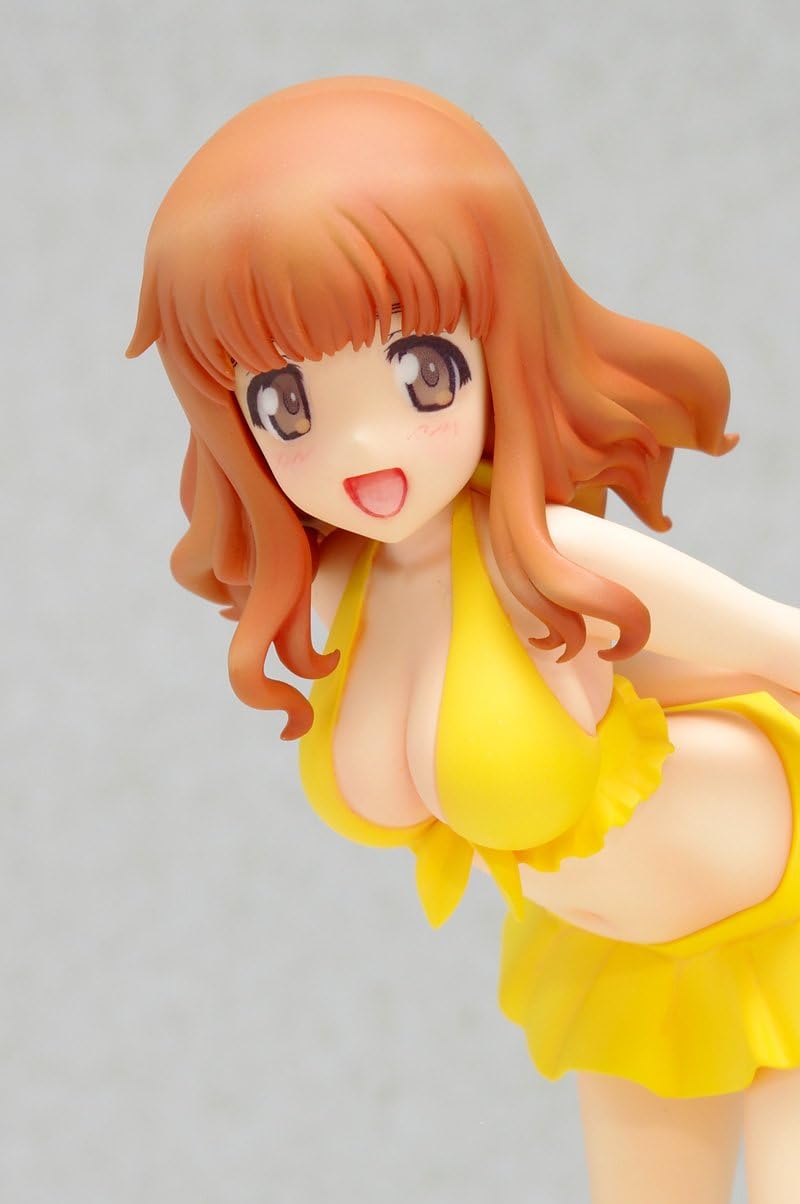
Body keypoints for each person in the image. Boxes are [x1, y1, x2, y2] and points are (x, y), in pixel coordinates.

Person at [128, 77, 800, 1203]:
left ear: (500, 342)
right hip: (629, 970)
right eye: (287, 402)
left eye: (418, 372)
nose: (361, 446)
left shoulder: (548, 552)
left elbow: (780, 646)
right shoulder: (341, 584)